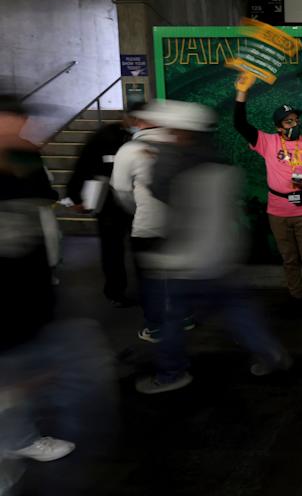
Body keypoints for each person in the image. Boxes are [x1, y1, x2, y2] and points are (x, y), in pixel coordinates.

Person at [131, 100, 290, 394]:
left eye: (174, 132)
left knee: (170, 318)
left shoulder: (181, 169)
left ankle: (171, 374)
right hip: (223, 256)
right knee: (238, 309)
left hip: (185, 262)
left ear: (186, 134)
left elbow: (159, 190)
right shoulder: (225, 168)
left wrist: (157, 156)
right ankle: (271, 354)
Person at [0, 95, 113, 470]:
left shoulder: (25, 158)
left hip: (29, 277)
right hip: (13, 282)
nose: (19, 127)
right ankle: (17, 439)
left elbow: (41, 204)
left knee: (27, 358)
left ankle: (18, 434)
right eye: (11, 120)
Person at [234, 74, 302, 306]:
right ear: (278, 127)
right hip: (277, 210)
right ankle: (296, 296)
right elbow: (240, 125)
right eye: (288, 121)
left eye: (296, 120)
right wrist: (242, 93)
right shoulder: (267, 142)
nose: (294, 124)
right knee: (289, 259)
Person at [110, 103, 188, 342]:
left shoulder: (129, 150)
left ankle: (156, 327)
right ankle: (185, 318)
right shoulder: (179, 143)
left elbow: (121, 190)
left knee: (150, 279)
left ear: (137, 121)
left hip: (148, 225)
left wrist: (137, 211)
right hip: (180, 223)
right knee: (179, 274)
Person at [65, 104, 142, 307]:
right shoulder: (104, 137)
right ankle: (115, 292)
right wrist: (75, 196)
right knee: (112, 249)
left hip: (139, 203)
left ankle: (146, 288)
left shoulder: (143, 138)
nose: (136, 124)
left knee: (141, 246)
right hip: (110, 204)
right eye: (132, 119)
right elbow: (82, 166)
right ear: (123, 117)